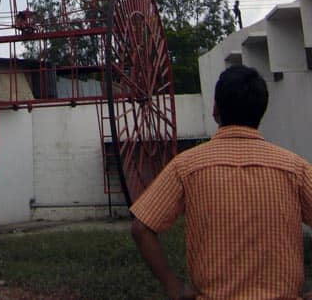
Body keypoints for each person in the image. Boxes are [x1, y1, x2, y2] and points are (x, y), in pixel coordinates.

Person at [130, 65, 312, 300]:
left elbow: (141, 228)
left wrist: (174, 288)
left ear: (216, 109)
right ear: (261, 110)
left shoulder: (186, 166)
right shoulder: (295, 168)